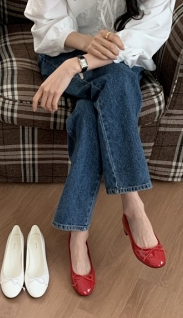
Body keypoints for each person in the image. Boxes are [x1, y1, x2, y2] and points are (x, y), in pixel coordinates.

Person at [25, 0, 174, 296]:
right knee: (118, 84)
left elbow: (145, 33)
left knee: (89, 112)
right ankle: (133, 206)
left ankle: (78, 234)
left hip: (117, 59)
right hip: (61, 53)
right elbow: (46, 21)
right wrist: (83, 46)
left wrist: (77, 65)